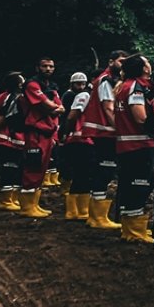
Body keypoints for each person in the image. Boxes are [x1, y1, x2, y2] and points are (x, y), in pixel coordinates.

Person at [78, 51, 127, 230]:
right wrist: (120, 129)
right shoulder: (106, 80)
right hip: (106, 133)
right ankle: (97, 216)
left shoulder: (106, 79)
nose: (123, 65)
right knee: (104, 171)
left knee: (103, 171)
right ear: (111, 61)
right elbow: (108, 107)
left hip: (104, 132)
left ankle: (96, 215)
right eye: (120, 61)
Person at [113, 54, 154, 242]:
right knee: (139, 185)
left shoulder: (124, 86)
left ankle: (130, 227)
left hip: (127, 145)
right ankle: (134, 231)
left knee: (130, 185)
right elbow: (140, 117)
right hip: (139, 145)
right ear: (143, 68)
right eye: (147, 63)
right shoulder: (135, 88)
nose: (150, 66)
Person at [17, 57, 65, 218]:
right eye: (44, 66)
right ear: (37, 67)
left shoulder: (51, 87)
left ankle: (34, 204)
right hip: (34, 132)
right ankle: (26, 206)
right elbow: (49, 106)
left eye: (51, 66)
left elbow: (60, 108)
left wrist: (52, 108)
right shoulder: (32, 84)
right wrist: (52, 108)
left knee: (42, 169)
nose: (48, 69)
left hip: (47, 132)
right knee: (33, 166)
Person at [59, 73, 94, 220]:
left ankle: (78, 210)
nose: (81, 86)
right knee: (82, 173)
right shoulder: (82, 96)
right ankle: (76, 210)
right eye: (77, 84)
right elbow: (71, 116)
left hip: (81, 139)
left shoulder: (84, 95)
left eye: (83, 83)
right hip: (81, 140)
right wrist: (65, 133)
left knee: (83, 175)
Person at [0, 73, 26, 211]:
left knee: (14, 167)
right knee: (9, 167)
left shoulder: (8, 96)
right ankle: (6, 200)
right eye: (22, 82)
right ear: (17, 84)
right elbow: (3, 117)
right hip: (6, 137)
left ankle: (12, 198)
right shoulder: (9, 97)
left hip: (13, 137)